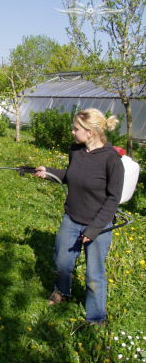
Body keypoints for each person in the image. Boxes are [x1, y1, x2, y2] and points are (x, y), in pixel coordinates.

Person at [33, 108, 124, 326]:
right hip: (72, 218)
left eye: (76, 129)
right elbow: (71, 175)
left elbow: (113, 200)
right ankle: (61, 292)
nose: (73, 132)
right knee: (62, 263)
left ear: (90, 132)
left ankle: (96, 317)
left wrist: (93, 231)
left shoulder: (112, 160)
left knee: (94, 274)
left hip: (98, 225)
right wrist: (49, 172)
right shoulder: (76, 150)